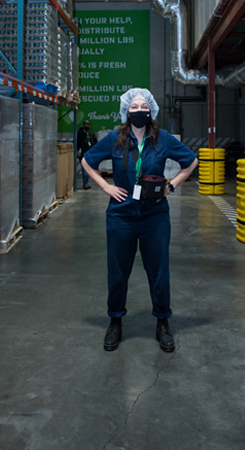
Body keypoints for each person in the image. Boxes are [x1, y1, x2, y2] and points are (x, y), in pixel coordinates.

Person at [81, 88, 199, 354]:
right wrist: (105, 186)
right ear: (126, 112)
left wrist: (171, 187)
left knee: (158, 270)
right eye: (133, 107)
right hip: (121, 214)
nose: (138, 111)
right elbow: (87, 161)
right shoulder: (114, 139)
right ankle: (115, 320)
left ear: (151, 111)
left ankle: (163, 322)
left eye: (142, 106)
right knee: (118, 270)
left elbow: (190, 161)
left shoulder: (162, 139)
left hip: (154, 215)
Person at [77, 119, 98, 190]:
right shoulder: (80, 133)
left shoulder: (91, 133)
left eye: (88, 124)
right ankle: (85, 183)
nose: (87, 126)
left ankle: (86, 182)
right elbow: (77, 143)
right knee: (84, 169)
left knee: (88, 169)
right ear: (83, 125)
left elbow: (95, 141)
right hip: (83, 153)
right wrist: (77, 151)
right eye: (85, 124)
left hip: (90, 154)